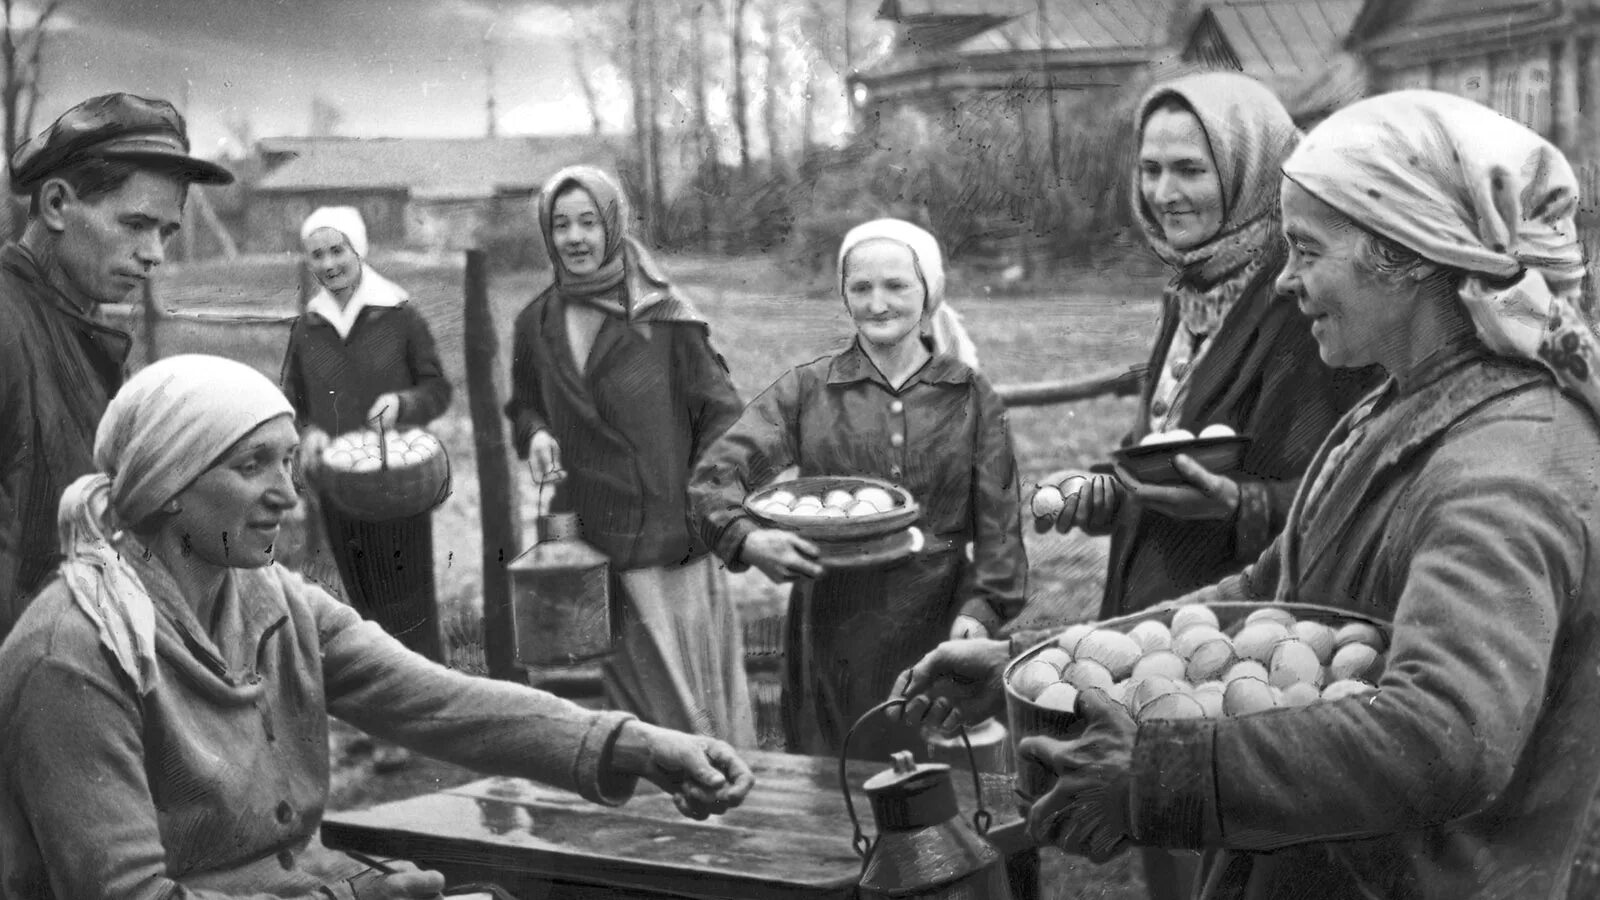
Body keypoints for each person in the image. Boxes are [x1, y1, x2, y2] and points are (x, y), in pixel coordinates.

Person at [892, 90, 1600, 899]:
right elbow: (1268, 594)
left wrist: (1162, 773)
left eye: (1306, 249)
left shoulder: (1501, 470)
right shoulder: (1408, 403)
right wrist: (1038, 660)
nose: (1288, 280)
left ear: (1405, 257)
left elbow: (1444, 735)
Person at [0, 354, 754, 900]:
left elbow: (439, 702)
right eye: (253, 466)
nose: (288, 496)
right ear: (168, 485)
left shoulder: (271, 600)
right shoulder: (76, 655)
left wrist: (632, 743)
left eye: (291, 463)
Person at [1036, 72, 1373, 623]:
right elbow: (1171, 445)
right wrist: (1103, 487)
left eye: (1190, 170)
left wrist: (1243, 507)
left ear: (1252, 169)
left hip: (1245, 634)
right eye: (1151, 170)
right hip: (1149, 617)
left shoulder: (1301, 306)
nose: (1164, 194)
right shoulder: (1193, 290)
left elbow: (1349, 495)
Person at [690, 218, 1027, 762]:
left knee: (945, 798)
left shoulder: (969, 395)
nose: (878, 303)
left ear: (928, 292)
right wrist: (748, 541)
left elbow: (1001, 528)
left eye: (897, 285)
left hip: (939, 621)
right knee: (838, 787)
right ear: (844, 295)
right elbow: (714, 479)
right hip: (832, 625)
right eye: (861, 287)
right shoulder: (809, 390)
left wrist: (983, 610)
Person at [504, 165, 755, 748]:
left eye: (589, 222)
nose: (575, 238)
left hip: (672, 531)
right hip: (595, 536)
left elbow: (722, 412)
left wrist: (713, 500)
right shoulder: (535, 323)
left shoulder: (664, 316)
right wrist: (536, 433)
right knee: (635, 687)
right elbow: (522, 407)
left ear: (613, 225)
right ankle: (663, 806)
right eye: (561, 224)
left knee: (693, 683)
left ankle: (724, 787)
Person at [0, 92, 232, 642]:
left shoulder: (79, 330)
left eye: (167, 232)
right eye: (135, 224)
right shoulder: (8, 325)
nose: (154, 253)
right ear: (56, 204)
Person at [281, 206, 451, 668]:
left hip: (398, 479)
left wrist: (403, 405)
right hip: (340, 483)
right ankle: (381, 699)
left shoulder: (399, 316)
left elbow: (437, 391)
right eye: (317, 255)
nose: (329, 264)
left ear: (359, 250)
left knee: (408, 595)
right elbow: (291, 402)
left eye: (338, 251)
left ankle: (427, 692)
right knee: (360, 594)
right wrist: (309, 431)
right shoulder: (308, 327)